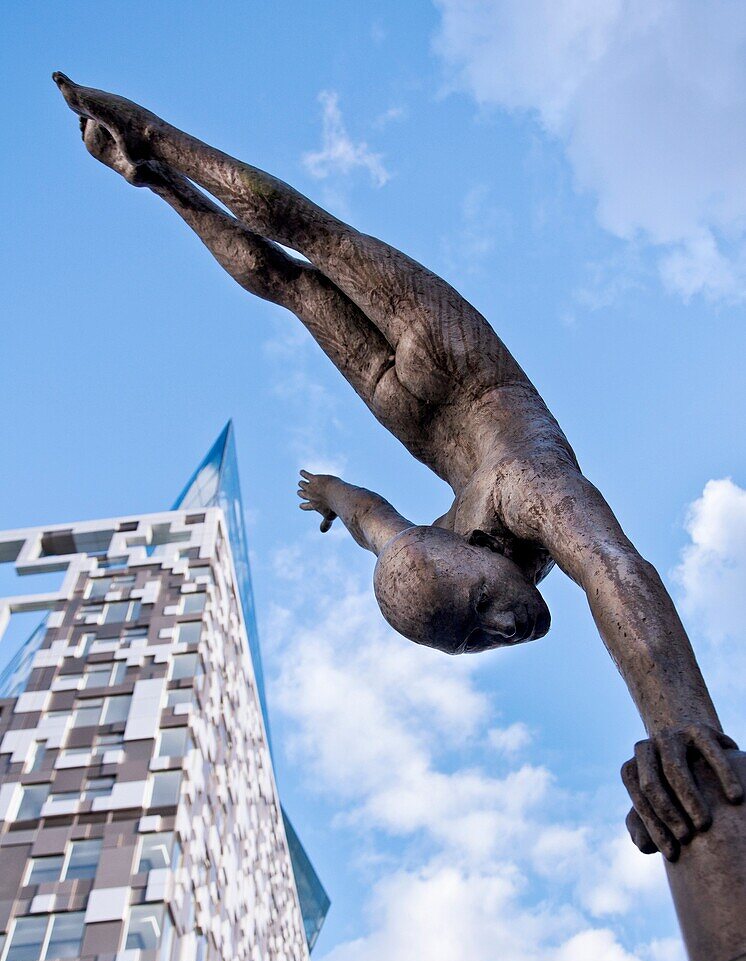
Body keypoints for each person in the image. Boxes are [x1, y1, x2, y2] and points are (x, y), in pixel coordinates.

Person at [53, 73, 741, 862]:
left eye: (483, 606)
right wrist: (337, 495)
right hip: (412, 406)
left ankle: (156, 139)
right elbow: (372, 518)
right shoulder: (433, 542)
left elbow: (615, 570)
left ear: (477, 550)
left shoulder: (532, 489)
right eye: (477, 640)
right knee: (287, 284)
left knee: (311, 240)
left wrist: (681, 724)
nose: (507, 627)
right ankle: (159, 185)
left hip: (457, 362)